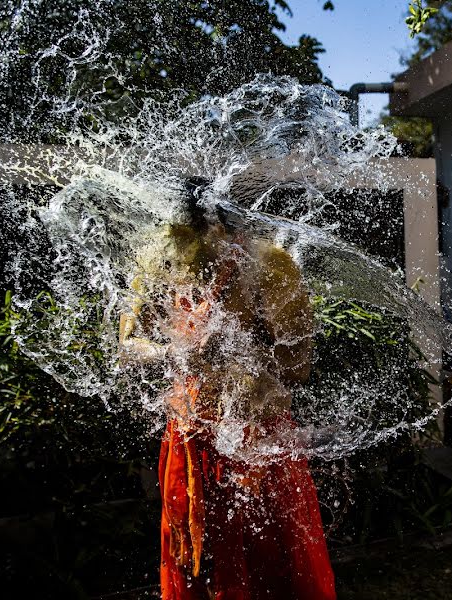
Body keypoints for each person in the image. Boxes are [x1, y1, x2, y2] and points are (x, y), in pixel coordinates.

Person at [120, 185, 336, 600]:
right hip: (190, 440)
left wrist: (243, 352)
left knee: (269, 566)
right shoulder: (157, 261)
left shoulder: (267, 264)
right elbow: (127, 348)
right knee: (198, 566)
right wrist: (173, 352)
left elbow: (297, 368)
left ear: (223, 225)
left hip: (257, 440)